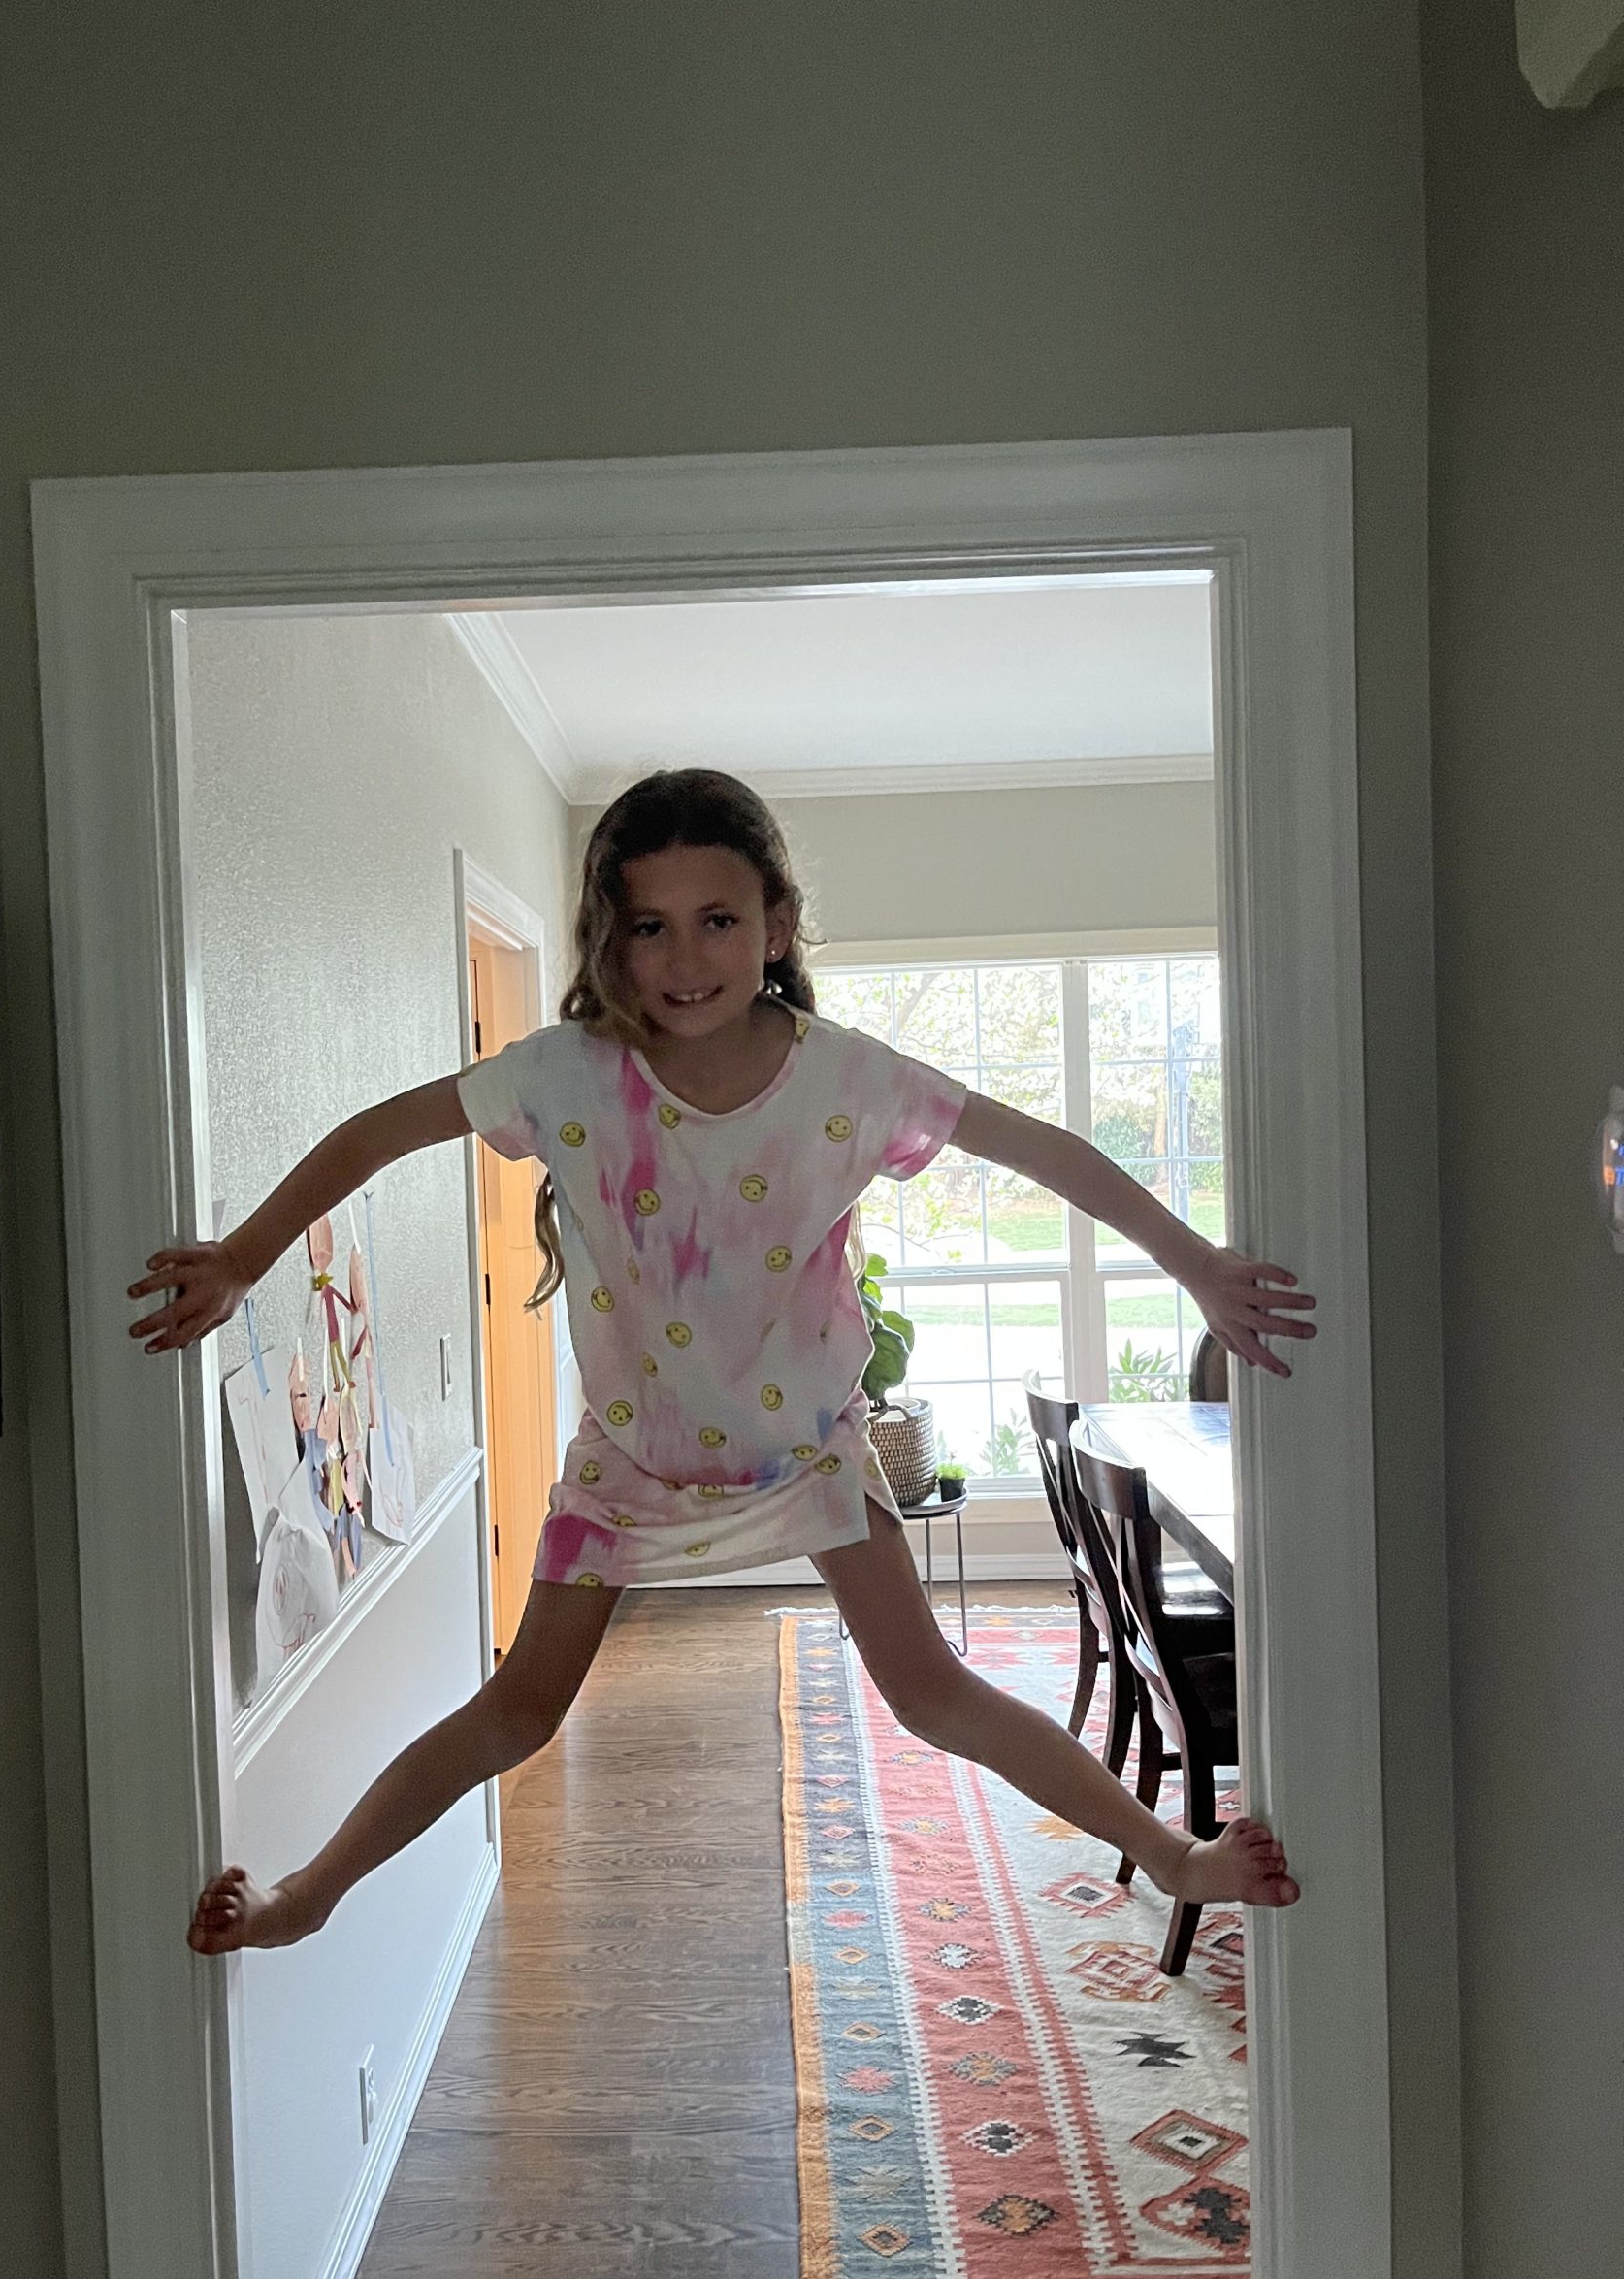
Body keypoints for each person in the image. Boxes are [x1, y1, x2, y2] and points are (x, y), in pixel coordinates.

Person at [129, 769, 1311, 1956]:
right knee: (517, 1711)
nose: (684, 958)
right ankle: (308, 1894)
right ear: (611, 937)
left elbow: (1043, 1153)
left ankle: (1177, 1856)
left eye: (718, 919)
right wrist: (241, 1257)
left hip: (808, 1455)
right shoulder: (565, 1074)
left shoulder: (848, 1079)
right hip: (631, 1467)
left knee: (934, 1693)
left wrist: (1199, 1266)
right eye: (649, 926)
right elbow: (378, 1133)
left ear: (777, 925)